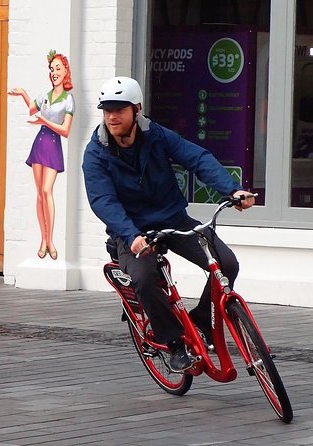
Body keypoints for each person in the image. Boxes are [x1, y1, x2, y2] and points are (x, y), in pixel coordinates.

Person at [82, 76, 255, 371]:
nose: (112, 116)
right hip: (132, 233)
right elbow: (103, 201)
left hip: (174, 219)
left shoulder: (157, 136)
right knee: (145, 279)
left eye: (119, 109)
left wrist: (232, 189)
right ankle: (174, 343)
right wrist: (130, 234)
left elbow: (197, 158)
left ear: (136, 109)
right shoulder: (96, 154)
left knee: (226, 263)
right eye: (107, 109)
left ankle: (202, 319)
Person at [8, 50, 75, 260]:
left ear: (66, 71)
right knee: (39, 193)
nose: (54, 72)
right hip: (40, 143)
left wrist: (44, 121)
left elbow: (65, 131)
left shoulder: (68, 99)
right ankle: (44, 240)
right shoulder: (45, 96)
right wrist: (23, 93)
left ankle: (51, 239)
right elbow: (31, 109)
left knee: (47, 191)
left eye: (58, 68)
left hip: (53, 144)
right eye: (52, 69)